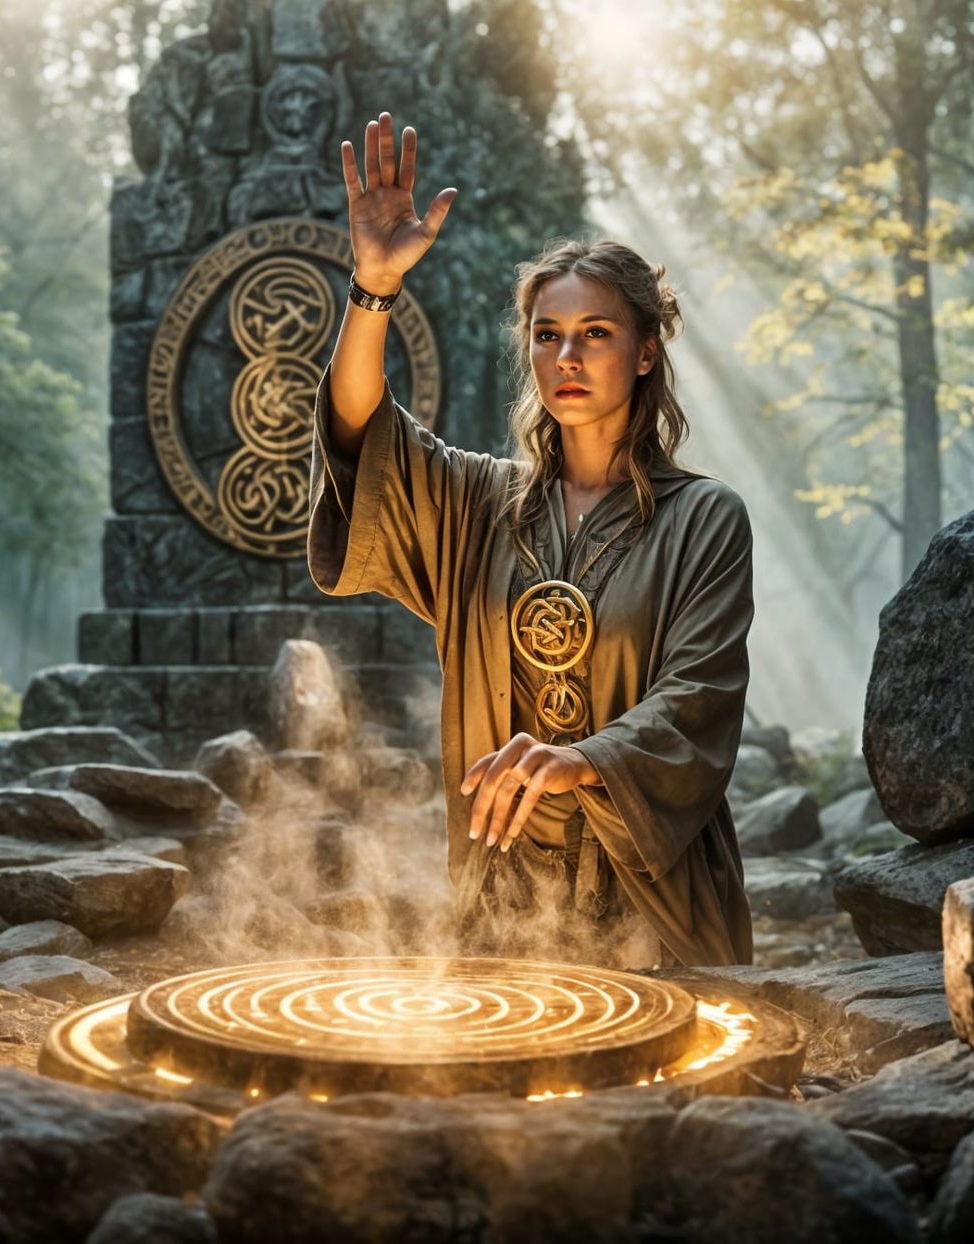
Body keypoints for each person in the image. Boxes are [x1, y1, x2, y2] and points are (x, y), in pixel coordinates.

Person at [307, 111, 754, 968]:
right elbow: (362, 434)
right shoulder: (479, 503)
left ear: (646, 353)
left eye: (596, 333)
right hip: (503, 900)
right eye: (547, 335)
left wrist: (581, 760)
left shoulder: (705, 519)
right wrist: (373, 287)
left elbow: (697, 698)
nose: (567, 357)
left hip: (650, 901)